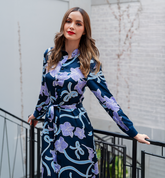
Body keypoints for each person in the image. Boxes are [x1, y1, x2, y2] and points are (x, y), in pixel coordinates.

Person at [28, 7, 150, 178]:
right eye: (68, 21)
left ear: (84, 31)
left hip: (76, 129)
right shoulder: (50, 55)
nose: (71, 26)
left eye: (78, 23)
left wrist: (133, 132)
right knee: (51, 172)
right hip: (51, 126)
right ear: (63, 23)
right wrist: (36, 114)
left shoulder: (88, 62)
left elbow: (107, 100)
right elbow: (44, 91)